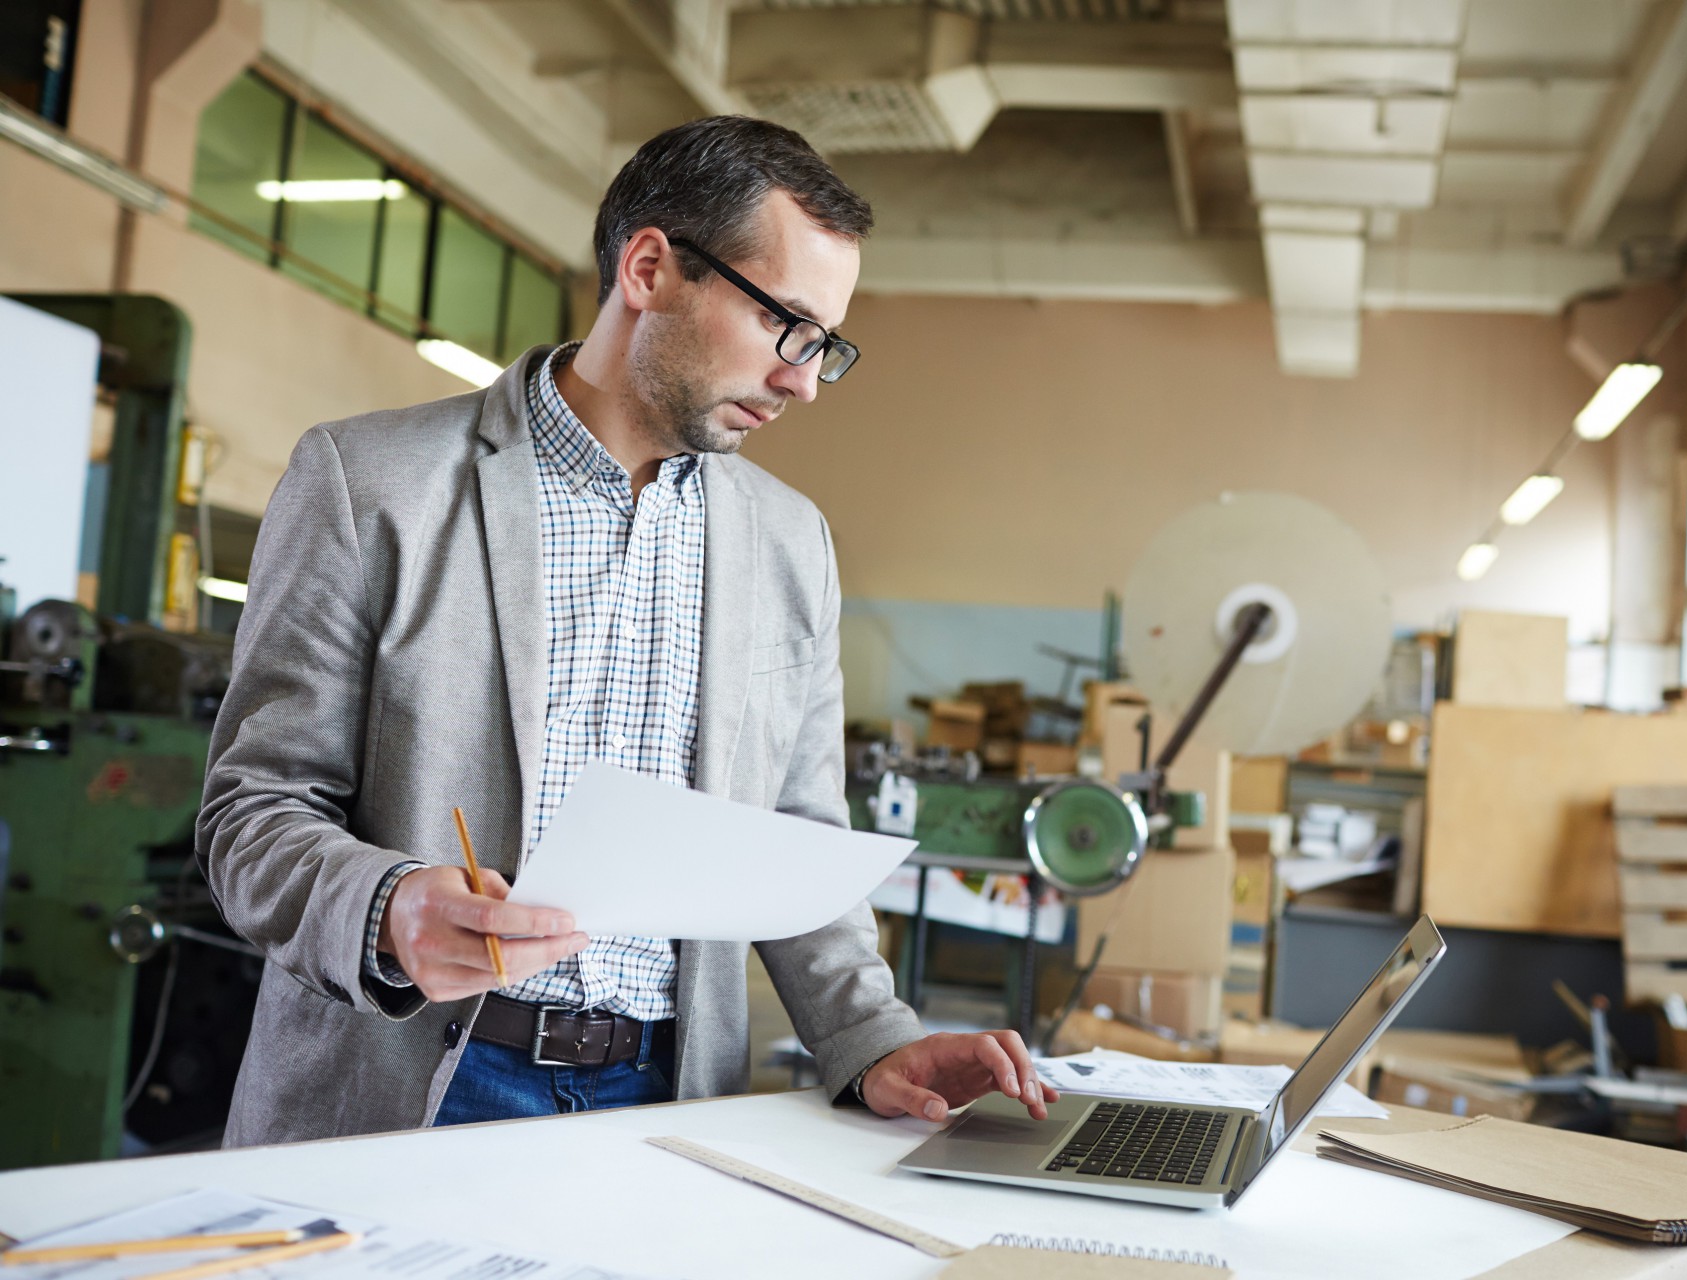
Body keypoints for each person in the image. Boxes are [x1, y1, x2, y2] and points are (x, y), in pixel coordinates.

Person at [196, 116, 1058, 1145]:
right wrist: (384, 908)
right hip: (407, 1089)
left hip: (668, 1097)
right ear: (649, 267)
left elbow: (798, 846)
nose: (805, 379)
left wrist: (872, 1034)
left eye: (828, 344)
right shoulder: (370, 485)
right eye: (788, 326)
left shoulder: (793, 545)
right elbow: (252, 811)